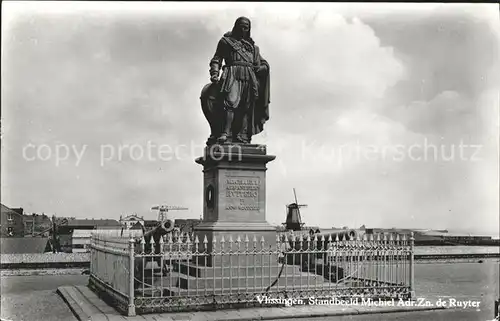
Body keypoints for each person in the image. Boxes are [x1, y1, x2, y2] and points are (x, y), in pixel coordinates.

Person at [208, 17, 270, 144]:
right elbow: (217, 59)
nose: (243, 29)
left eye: (246, 27)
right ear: (236, 26)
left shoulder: (253, 48)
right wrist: (215, 73)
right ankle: (225, 133)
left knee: (246, 107)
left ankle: (242, 136)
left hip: (249, 76)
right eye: (241, 26)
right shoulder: (226, 42)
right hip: (232, 74)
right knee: (230, 103)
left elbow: (262, 63)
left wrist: (263, 68)